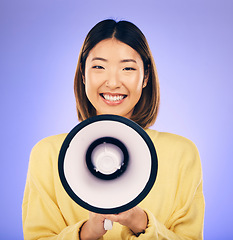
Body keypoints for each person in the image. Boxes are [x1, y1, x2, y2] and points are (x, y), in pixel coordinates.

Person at [22, 19, 205, 240]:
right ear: (83, 74)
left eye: (127, 68)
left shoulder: (182, 154)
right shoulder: (48, 154)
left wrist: (141, 222)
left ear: (145, 77)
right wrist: (86, 232)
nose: (113, 82)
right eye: (99, 67)